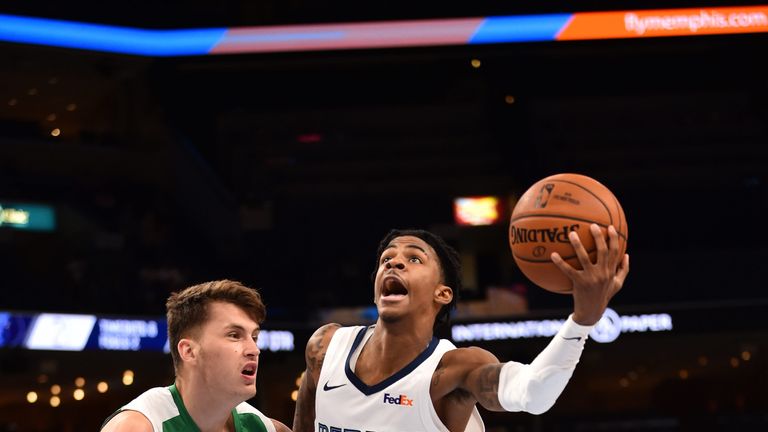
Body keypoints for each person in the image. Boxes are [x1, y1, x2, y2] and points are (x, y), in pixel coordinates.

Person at [292, 225, 629, 431]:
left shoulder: (455, 371)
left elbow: (535, 393)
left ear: (443, 293)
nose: (394, 261)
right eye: (386, 259)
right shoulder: (325, 347)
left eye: (414, 259)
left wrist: (582, 320)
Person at [102, 279, 291, 432]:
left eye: (254, 337)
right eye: (234, 335)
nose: (254, 349)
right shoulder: (137, 426)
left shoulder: (264, 428)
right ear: (189, 351)